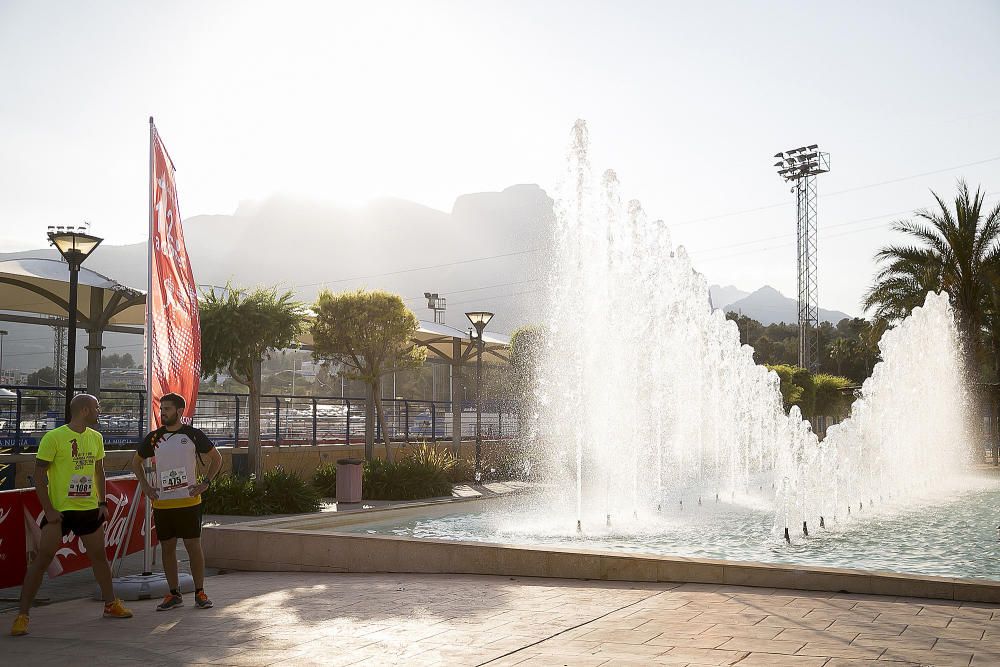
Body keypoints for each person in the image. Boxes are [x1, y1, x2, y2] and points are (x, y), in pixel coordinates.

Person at [10, 394, 133, 636]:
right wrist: (49, 509)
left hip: (88, 508)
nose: (100, 411)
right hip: (60, 511)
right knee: (42, 559)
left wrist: (102, 502)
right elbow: (39, 476)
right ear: (85, 410)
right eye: (97, 408)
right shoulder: (54, 437)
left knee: (99, 557)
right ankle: (22, 615)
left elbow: (99, 472)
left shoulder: (96, 437)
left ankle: (111, 604)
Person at [131, 392, 222, 611]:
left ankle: (200, 591)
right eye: (162, 409)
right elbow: (136, 462)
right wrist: (145, 485)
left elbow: (217, 458)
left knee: (193, 546)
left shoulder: (193, 434)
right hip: (163, 503)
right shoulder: (154, 437)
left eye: (168, 409)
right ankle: (173, 594)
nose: (163, 413)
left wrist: (205, 483)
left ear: (179, 411)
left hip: (189, 503)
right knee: (167, 548)